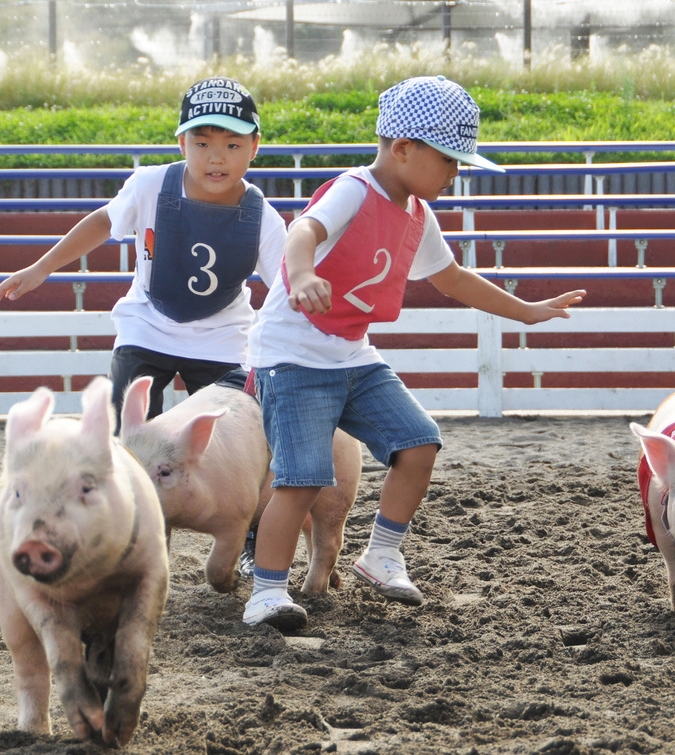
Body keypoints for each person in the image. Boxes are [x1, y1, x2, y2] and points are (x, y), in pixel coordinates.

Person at [241, 76, 587, 629]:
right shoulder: (354, 188)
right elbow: (303, 230)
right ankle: (267, 592)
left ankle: (381, 554)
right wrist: (302, 273)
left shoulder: (417, 213)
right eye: (451, 161)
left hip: (351, 354)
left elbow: (451, 277)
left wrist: (526, 310)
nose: (455, 174)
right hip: (293, 356)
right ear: (404, 149)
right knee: (301, 479)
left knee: (419, 441)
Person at [0, 76, 286, 425]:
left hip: (221, 338)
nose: (216, 158)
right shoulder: (149, 185)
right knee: (122, 423)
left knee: (238, 427)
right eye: (202, 143)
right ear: (182, 143)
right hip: (147, 326)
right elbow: (104, 220)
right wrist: (41, 268)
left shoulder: (263, 218)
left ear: (254, 147)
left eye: (233, 146)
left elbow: (287, 284)